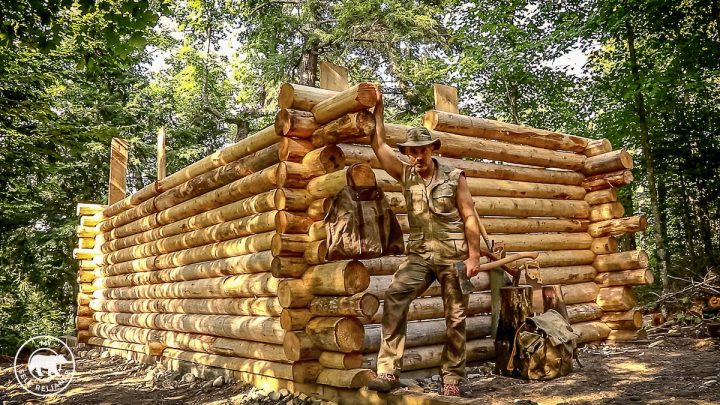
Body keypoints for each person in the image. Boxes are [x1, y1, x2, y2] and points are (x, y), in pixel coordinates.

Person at [365, 91, 484, 397]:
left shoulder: (454, 177)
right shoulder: (406, 175)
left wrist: (474, 257)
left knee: (455, 317)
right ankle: (388, 370)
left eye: (421, 151)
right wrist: (379, 111)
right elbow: (378, 145)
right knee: (394, 295)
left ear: (432, 149)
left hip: (453, 256)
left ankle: (451, 375)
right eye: (410, 152)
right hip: (419, 255)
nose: (416, 157)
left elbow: (469, 215)